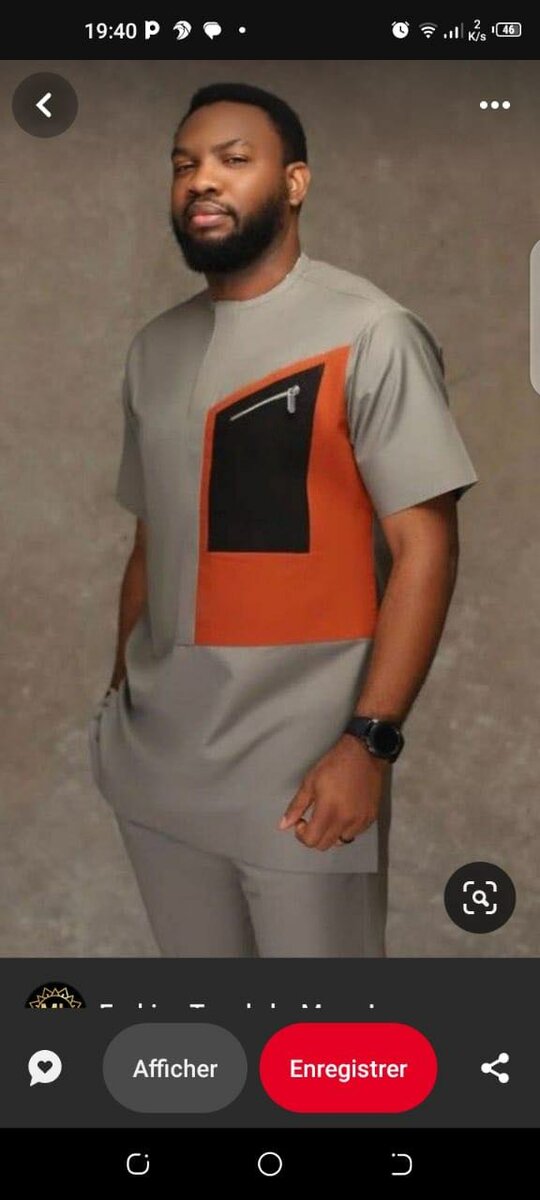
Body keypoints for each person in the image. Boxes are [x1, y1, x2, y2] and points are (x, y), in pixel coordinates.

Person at [88, 82, 478, 958]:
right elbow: (152, 541)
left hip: (303, 775)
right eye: (185, 164)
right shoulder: (153, 349)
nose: (202, 180)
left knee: (322, 1033)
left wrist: (368, 744)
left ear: (295, 182)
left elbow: (426, 547)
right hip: (157, 774)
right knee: (210, 1026)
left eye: (234, 159)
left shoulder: (372, 333)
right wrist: (116, 710)